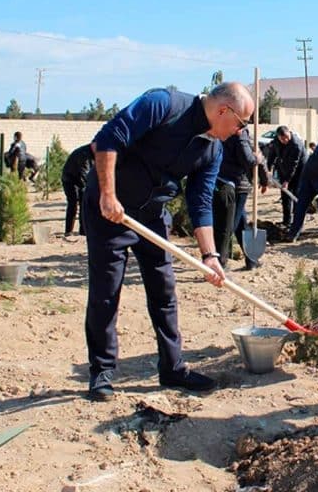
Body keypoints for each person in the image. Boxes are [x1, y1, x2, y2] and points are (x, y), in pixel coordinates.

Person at [82, 82, 255, 401]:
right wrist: (107, 196)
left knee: (164, 291)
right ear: (223, 111)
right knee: (107, 292)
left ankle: (172, 368)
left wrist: (210, 256)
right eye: (241, 125)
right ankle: (102, 372)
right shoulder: (163, 105)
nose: (239, 133)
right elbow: (107, 140)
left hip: (152, 214)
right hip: (111, 211)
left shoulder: (213, 149)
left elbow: (200, 201)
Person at [213, 127, 267, 270]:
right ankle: (249, 260)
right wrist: (258, 158)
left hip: (237, 184)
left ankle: (222, 261)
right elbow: (250, 159)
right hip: (235, 183)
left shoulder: (237, 132)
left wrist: (257, 159)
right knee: (237, 224)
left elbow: (249, 159)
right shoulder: (237, 133)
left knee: (231, 225)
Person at [264, 126, 307, 228]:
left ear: (289, 133)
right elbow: (272, 154)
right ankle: (286, 221)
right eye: (282, 139)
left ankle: (297, 224)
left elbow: (294, 165)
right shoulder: (276, 141)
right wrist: (268, 169)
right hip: (284, 167)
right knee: (285, 196)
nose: (285, 140)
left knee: (296, 195)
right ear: (278, 137)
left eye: (287, 137)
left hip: (299, 171)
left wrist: (287, 181)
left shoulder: (296, 145)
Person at [61, 144, 95, 237]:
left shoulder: (95, 153)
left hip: (80, 179)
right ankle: (68, 231)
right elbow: (84, 174)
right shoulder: (84, 154)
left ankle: (83, 230)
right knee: (73, 204)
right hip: (70, 179)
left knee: (84, 203)